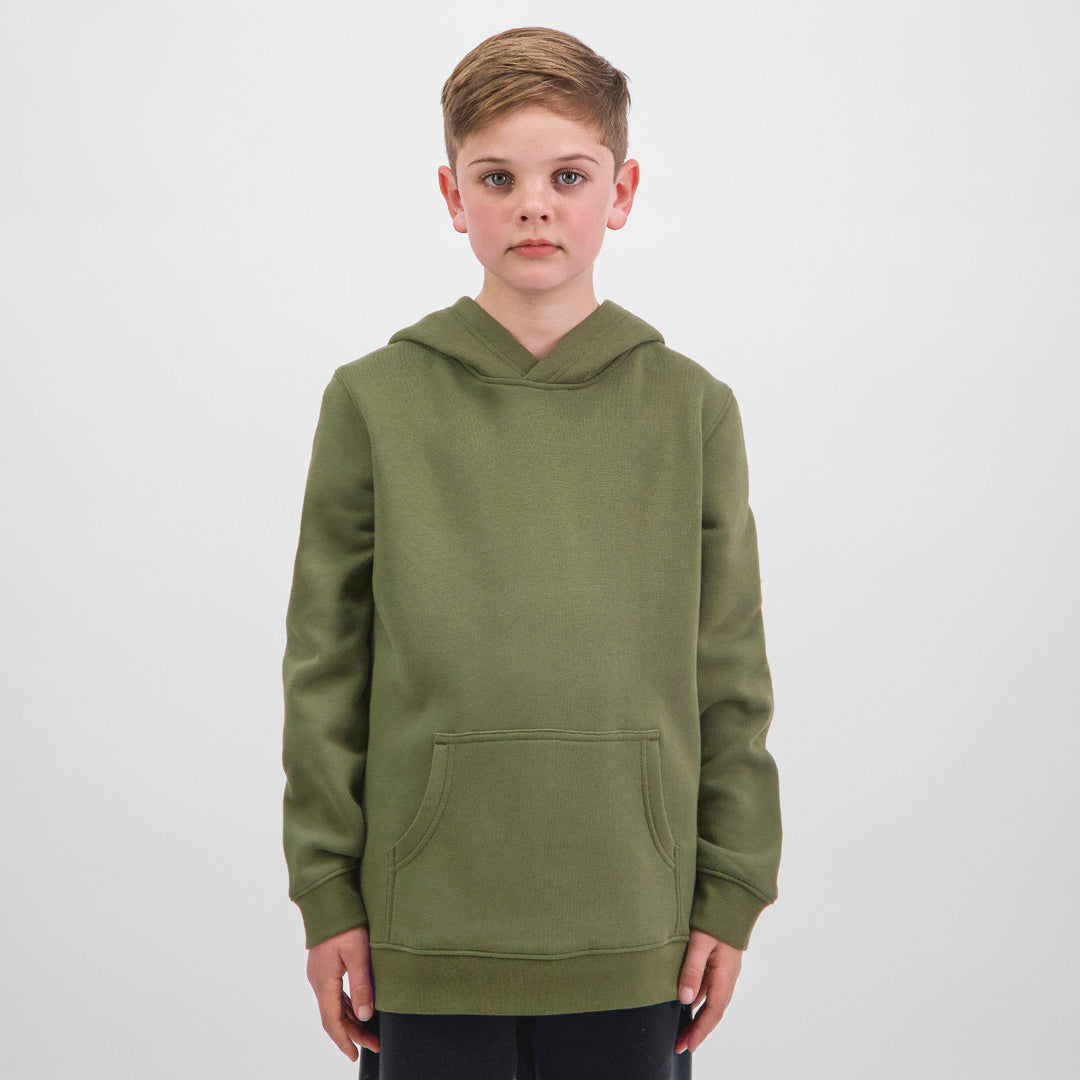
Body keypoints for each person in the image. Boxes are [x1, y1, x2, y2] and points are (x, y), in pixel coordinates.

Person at [281, 25, 782, 1080]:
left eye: (569, 175)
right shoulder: (374, 401)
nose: (534, 206)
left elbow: (730, 672)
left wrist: (731, 890)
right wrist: (327, 894)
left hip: (635, 925)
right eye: (498, 177)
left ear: (622, 190)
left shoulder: (691, 408)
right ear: (453, 195)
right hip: (426, 928)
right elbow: (325, 669)